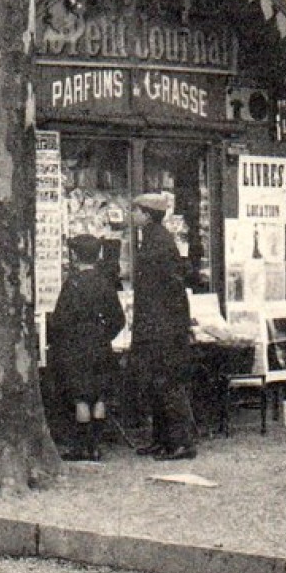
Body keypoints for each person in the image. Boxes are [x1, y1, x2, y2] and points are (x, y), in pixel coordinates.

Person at [129, 191, 197, 461]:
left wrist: (172, 325)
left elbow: (172, 288)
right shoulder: (154, 239)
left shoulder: (159, 243)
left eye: (135, 211)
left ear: (146, 214)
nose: (132, 215)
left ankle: (181, 442)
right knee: (156, 384)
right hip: (157, 326)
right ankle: (162, 440)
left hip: (163, 329)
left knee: (168, 385)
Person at [47, 234, 126, 462]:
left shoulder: (72, 284)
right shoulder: (105, 283)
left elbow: (60, 320)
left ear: (74, 256)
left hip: (76, 347)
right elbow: (118, 319)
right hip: (100, 346)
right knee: (99, 396)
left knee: (80, 397)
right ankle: (95, 447)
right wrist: (104, 335)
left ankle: (81, 447)